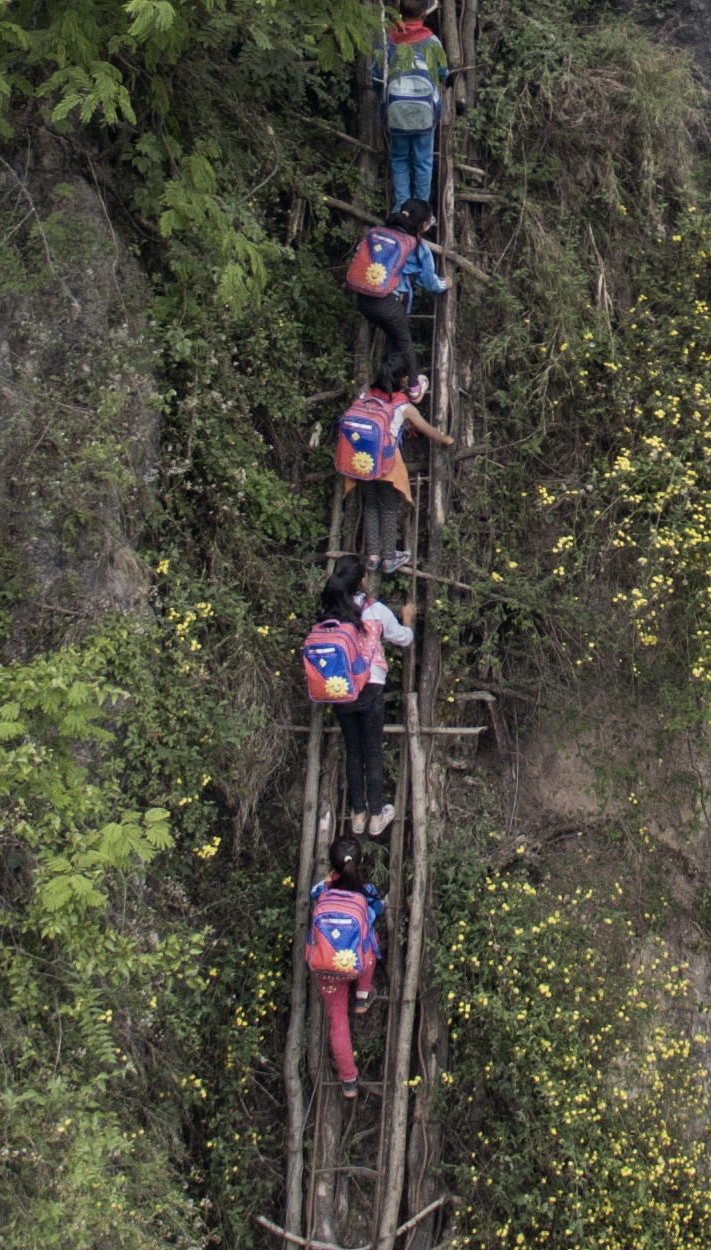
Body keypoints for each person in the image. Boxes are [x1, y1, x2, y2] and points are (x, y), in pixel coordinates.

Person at [313, 568, 416, 832]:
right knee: (372, 750)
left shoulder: (330, 609)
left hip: (340, 687)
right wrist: (408, 620)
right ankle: (376, 815)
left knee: (353, 749)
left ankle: (357, 814)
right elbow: (404, 639)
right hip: (370, 684)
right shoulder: (376, 610)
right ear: (361, 582)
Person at [333, 369, 452, 566]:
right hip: (388, 464)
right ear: (399, 384)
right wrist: (446, 439)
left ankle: (372, 557)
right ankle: (388, 558)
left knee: (371, 505)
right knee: (388, 508)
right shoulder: (402, 405)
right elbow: (425, 428)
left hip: (362, 461)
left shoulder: (365, 397)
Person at [303, 841, 389, 1095]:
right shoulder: (367, 891)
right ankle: (362, 996)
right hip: (355, 964)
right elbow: (377, 911)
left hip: (325, 969)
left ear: (332, 865)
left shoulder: (321, 889)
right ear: (359, 862)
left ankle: (349, 1081)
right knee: (372, 941)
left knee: (338, 1021)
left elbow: (313, 893)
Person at [337, 201, 448, 386]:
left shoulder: (377, 234)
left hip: (364, 300)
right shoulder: (418, 247)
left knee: (394, 344)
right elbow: (429, 283)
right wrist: (445, 283)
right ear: (423, 224)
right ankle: (412, 386)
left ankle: (386, 387)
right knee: (404, 343)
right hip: (390, 303)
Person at [374, 0, 451, 208]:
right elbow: (443, 73)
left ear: (399, 12)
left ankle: (401, 209)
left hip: (396, 112)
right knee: (423, 162)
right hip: (425, 113)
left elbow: (376, 76)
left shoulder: (387, 39)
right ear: (424, 15)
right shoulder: (432, 41)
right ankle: (421, 211)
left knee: (399, 159)